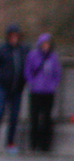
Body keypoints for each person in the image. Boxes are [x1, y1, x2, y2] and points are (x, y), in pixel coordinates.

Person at [24, 32, 61, 152]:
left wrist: (53, 85)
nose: (46, 46)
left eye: (48, 44)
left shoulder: (53, 57)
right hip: (36, 91)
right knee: (34, 117)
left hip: (49, 92)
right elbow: (28, 70)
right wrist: (32, 82)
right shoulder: (33, 55)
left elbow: (57, 73)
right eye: (44, 44)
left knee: (47, 118)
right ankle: (34, 144)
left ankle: (45, 145)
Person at [0, 24, 29, 153]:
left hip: (17, 88)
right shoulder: (3, 50)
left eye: (16, 36)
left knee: (14, 117)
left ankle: (10, 142)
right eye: (12, 36)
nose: (14, 38)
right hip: (3, 87)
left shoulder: (24, 50)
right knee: (0, 112)